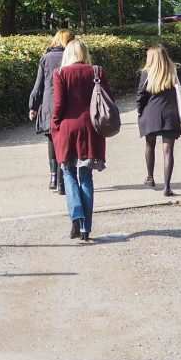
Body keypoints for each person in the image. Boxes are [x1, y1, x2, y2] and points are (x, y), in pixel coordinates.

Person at [52, 38, 113, 241]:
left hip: (68, 128)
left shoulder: (60, 73)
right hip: (91, 128)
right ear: (85, 53)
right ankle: (86, 228)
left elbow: (59, 105)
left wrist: (55, 125)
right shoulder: (97, 71)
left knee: (68, 172)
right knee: (86, 176)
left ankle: (76, 216)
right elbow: (108, 98)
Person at [135, 45, 181, 197]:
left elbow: (141, 95)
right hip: (170, 114)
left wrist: (139, 109)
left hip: (150, 114)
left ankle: (150, 178)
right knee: (168, 150)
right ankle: (167, 187)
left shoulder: (146, 73)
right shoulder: (176, 71)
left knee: (150, 144)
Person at [29, 28, 74, 195]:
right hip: (68, 103)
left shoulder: (45, 58)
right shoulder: (71, 57)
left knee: (51, 140)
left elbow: (38, 85)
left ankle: (53, 178)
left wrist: (33, 106)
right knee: (65, 141)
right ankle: (63, 181)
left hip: (49, 103)